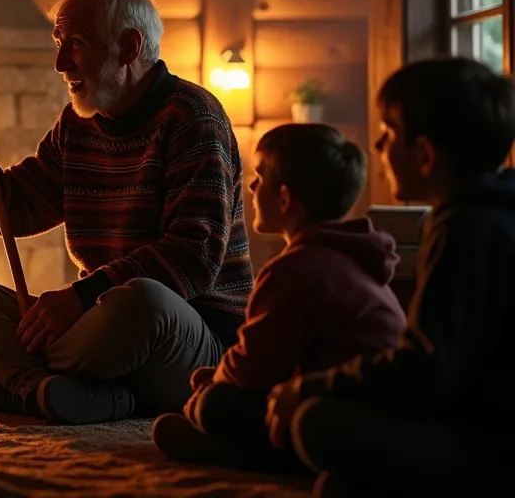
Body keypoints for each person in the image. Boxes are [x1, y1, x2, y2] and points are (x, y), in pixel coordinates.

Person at [0, 0, 253, 424]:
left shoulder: (194, 118)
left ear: (129, 47)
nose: (61, 62)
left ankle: (21, 382)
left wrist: (80, 299)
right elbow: (17, 209)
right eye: (58, 42)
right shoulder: (77, 125)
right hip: (98, 327)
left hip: (190, 339)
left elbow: (193, 257)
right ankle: (50, 389)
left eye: (76, 43)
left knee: (142, 300)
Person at [264, 57, 515, 496]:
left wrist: (310, 387)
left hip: (488, 445)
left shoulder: (466, 228)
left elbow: (425, 369)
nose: (378, 145)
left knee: (313, 421)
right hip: (475, 418)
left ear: (425, 155)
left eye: (390, 132)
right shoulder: (491, 212)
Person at [151, 123, 406, 472]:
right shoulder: (351, 258)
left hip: (343, 414)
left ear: (285, 199)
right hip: (374, 409)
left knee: (215, 403)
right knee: (215, 386)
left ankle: (245, 454)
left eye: (260, 176)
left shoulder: (296, 269)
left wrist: (210, 387)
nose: (252, 187)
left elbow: (254, 368)